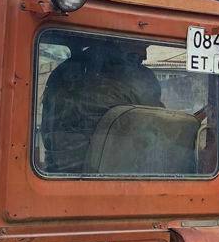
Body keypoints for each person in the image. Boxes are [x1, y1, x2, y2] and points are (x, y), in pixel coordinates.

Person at [39, 37, 163, 173]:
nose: (145, 55)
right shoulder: (134, 75)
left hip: (56, 170)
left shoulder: (62, 71)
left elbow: (47, 128)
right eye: (139, 46)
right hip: (110, 174)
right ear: (119, 42)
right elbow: (158, 123)